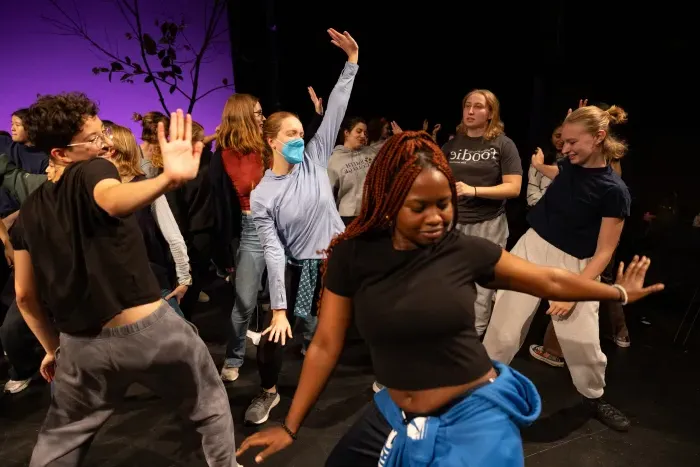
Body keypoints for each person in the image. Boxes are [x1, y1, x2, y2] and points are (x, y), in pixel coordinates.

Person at [234, 131, 663, 466]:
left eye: (443, 204)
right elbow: (326, 343)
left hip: (472, 415)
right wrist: (291, 428)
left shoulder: (463, 252)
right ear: (388, 202)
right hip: (395, 411)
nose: (437, 218)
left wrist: (619, 291)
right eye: (420, 207)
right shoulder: (352, 255)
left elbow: (550, 280)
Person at [11, 92, 239, 466]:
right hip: (149, 334)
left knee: (59, 444)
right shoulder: (94, 170)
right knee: (208, 407)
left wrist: (53, 349)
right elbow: (112, 199)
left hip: (80, 348)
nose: (107, 145)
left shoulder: (29, 212)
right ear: (60, 154)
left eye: (104, 133)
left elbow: (24, 296)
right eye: (95, 139)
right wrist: (166, 178)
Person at [484, 104, 635, 432]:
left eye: (571, 143)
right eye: (562, 143)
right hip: (532, 247)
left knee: (582, 342)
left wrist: (576, 291)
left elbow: (605, 252)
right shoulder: (570, 164)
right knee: (504, 329)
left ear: (598, 138)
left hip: (576, 266)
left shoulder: (614, 191)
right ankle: (480, 388)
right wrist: (543, 165)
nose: (563, 150)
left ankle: (593, 396)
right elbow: (564, 176)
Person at [244, 28, 358, 425]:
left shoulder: (314, 158)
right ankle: (269, 391)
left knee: (333, 329)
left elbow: (337, 112)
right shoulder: (263, 195)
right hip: (295, 268)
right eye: (290, 134)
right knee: (277, 335)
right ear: (272, 141)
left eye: (300, 132)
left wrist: (351, 65)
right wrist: (278, 309)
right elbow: (273, 252)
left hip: (333, 261)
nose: (299, 137)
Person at [441, 89, 522, 336]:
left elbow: (514, 188)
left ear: (490, 113)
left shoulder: (503, 144)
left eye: (478, 106)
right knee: (449, 282)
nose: (471, 111)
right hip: (453, 224)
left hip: (487, 224)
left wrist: (474, 190)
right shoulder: (452, 144)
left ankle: (472, 342)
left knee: (481, 289)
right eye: (467, 105)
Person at [102, 122, 191, 317]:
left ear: (113, 152)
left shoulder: (146, 188)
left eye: (101, 149)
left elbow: (173, 235)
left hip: (151, 282)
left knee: (180, 338)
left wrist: (184, 278)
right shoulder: (95, 192)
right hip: (110, 287)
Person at [211, 92, 268, 382]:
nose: (263, 117)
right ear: (244, 116)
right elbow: (219, 208)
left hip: (285, 228)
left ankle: (311, 348)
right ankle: (234, 358)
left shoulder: (270, 146)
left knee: (297, 297)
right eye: (257, 113)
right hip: (252, 230)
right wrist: (223, 256)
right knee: (245, 301)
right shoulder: (224, 157)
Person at [327, 117, 371, 225]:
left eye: (365, 133)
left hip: (373, 214)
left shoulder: (372, 153)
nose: (363, 136)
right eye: (359, 131)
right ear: (347, 133)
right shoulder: (334, 160)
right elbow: (328, 195)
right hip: (348, 217)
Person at [526, 124, 564, 207]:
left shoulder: (574, 158)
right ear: (551, 137)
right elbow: (532, 191)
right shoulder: (540, 157)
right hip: (543, 210)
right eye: (558, 136)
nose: (561, 140)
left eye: (565, 136)